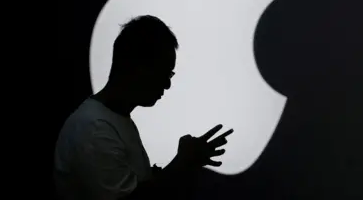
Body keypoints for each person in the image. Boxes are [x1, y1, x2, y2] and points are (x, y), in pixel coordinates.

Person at [53, 15, 233, 200]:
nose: (167, 84)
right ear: (137, 66)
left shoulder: (110, 120)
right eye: (164, 72)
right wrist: (182, 164)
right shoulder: (94, 128)